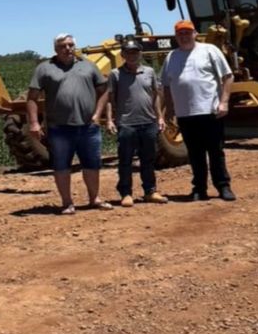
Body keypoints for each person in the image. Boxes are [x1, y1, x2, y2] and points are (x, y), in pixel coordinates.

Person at [27, 33, 113, 215]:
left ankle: (94, 199)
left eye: (71, 45)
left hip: (88, 126)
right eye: (63, 46)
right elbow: (32, 98)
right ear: (55, 49)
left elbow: (105, 91)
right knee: (61, 166)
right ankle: (67, 203)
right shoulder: (44, 69)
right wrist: (34, 123)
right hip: (59, 128)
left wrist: (98, 114)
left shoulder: (88, 66)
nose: (68, 48)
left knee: (92, 164)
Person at [161, 20, 237, 202]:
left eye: (188, 33)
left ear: (195, 34)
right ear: (176, 37)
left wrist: (224, 102)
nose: (184, 36)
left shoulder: (209, 50)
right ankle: (199, 189)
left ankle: (223, 186)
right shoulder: (171, 57)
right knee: (195, 154)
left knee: (216, 151)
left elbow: (228, 76)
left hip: (210, 111)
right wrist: (169, 109)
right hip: (185, 115)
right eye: (181, 34)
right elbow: (165, 85)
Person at [93, 39, 169, 207]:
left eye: (135, 52)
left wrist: (160, 117)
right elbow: (110, 98)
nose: (132, 55)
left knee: (148, 159)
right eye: (128, 52)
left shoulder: (149, 72)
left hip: (148, 122)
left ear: (140, 54)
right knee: (125, 160)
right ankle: (126, 193)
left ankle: (150, 191)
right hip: (126, 123)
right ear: (123, 55)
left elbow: (155, 96)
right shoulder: (115, 74)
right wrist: (110, 120)